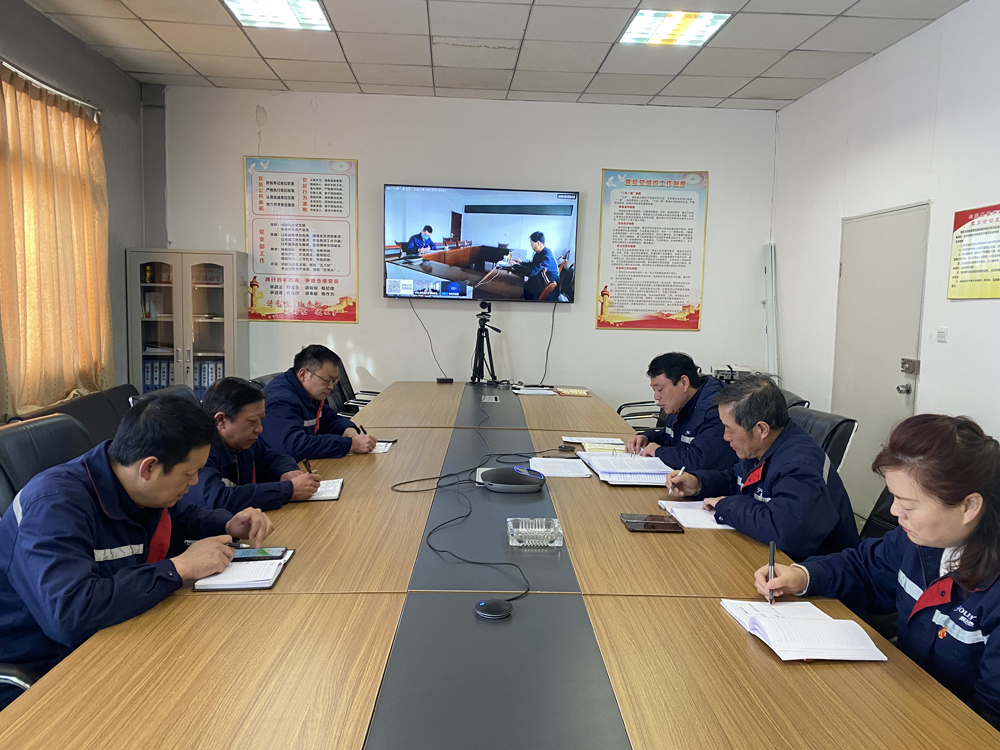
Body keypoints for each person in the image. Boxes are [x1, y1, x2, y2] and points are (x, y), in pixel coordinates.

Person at [0, 395, 275, 711]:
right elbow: (70, 614)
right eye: (189, 473)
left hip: (115, 638)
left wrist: (227, 523)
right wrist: (178, 568)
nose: (195, 481)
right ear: (149, 467)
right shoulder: (53, 506)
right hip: (44, 672)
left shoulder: (132, 484)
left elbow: (179, 516)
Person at [756, 415, 1000, 730]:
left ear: (969, 507)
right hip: (900, 700)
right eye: (893, 498)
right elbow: (864, 569)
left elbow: (989, 718)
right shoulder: (917, 540)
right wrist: (803, 576)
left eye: (908, 505)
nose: (895, 512)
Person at [666, 374, 859, 561]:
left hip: (812, 570)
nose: (725, 437)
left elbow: (786, 531)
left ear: (762, 429)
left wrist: (727, 505)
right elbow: (737, 480)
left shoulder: (799, 464)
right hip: (768, 556)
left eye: (730, 429)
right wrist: (699, 484)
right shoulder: (760, 447)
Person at [186, 377, 322, 513]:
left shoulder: (242, 444)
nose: (259, 429)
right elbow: (218, 500)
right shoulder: (198, 452)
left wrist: (287, 472)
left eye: (260, 420)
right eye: (252, 421)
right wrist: (288, 490)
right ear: (221, 420)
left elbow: (277, 458)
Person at [260, 344, 377, 461]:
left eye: (334, 381)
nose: (331, 387)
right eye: (327, 380)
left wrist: (350, 432)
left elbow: (330, 419)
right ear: (303, 374)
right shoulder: (279, 400)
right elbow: (294, 446)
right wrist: (349, 445)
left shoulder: (308, 393)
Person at [625, 353, 736, 471]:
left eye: (660, 389)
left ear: (684, 383)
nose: (656, 396)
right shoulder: (681, 402)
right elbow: (671, 438)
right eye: (654, 390)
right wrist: (646, 438)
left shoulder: (716, 410)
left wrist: (658, 451)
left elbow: (701, 461)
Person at [514, 231, 560, 300]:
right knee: (517, 284)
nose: (531, 245)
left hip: (546, 292)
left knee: (516, 289)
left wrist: (515, 266)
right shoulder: (541, 252)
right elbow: (533, 265)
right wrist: (521, 263)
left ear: (538, 243)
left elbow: (531, 272)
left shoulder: (546, 257)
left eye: (532, 243)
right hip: (539, 282)